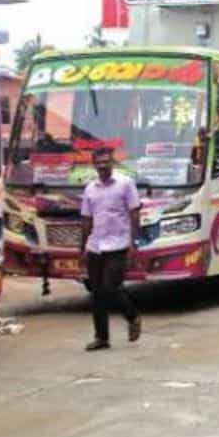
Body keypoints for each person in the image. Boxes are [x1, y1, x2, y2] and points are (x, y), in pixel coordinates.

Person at [79, 148, 142, 351]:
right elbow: (86, 220)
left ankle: (132, 316)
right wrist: (82, 248)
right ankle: (101, 337)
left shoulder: (125, 184)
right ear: (94, 164)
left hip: (118, 244)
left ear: (112, 163)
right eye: (99, 162)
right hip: (95, 246)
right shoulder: (90, 189)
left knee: (110, 287)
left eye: (106, 162)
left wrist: (133, 244)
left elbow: (134, 214)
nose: (103, 165)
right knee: (97, 293)